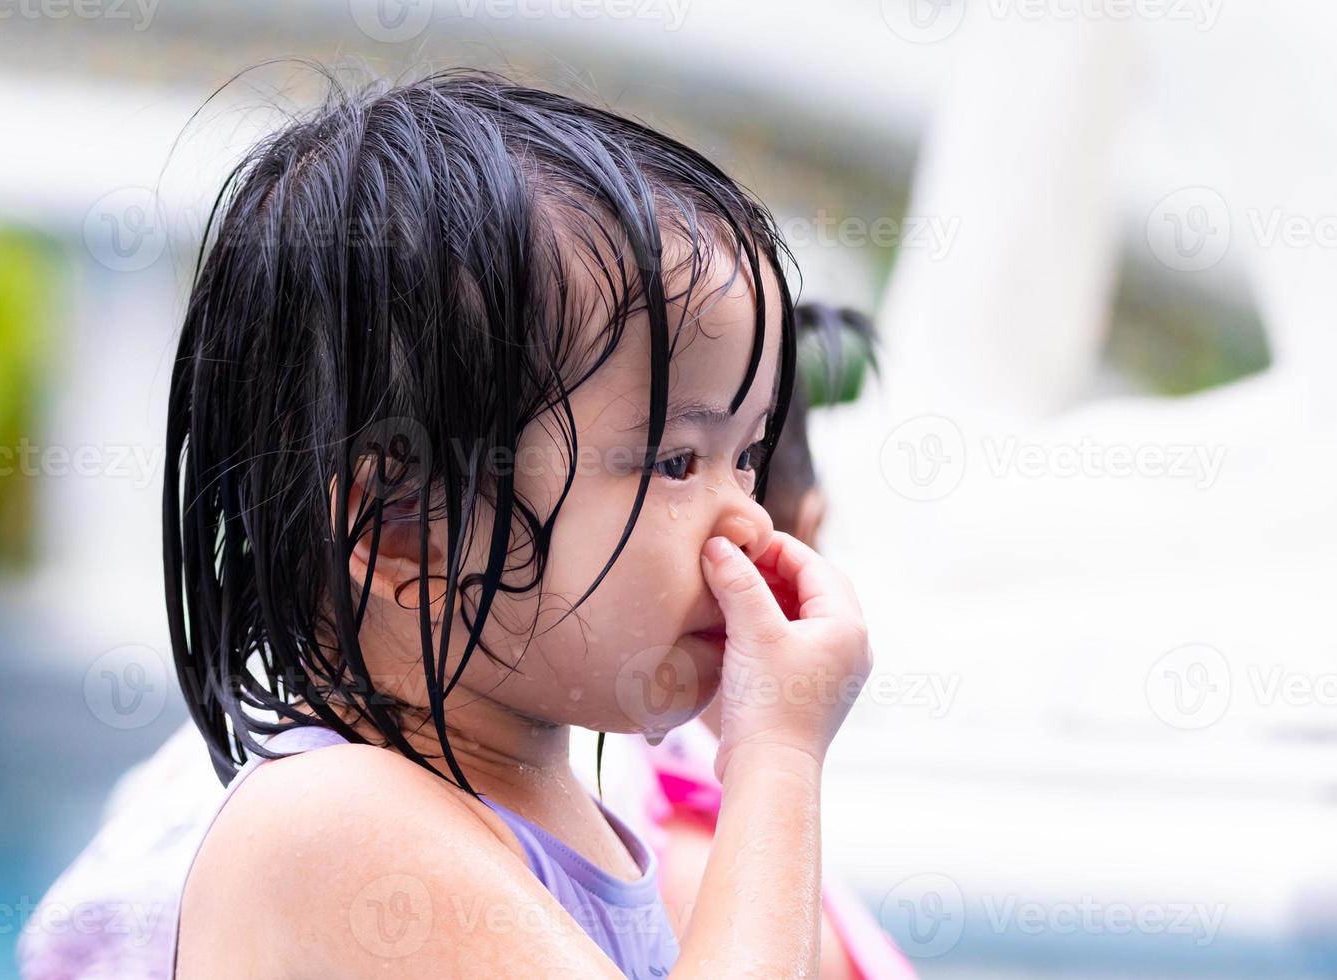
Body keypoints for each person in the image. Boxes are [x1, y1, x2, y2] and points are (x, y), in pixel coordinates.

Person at [138, 65, 870, 978]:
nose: (749, 527)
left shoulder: (545, 815)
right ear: (405, 533)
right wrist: (778, 758)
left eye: (749, 458)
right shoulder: (335, 825)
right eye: (678, 460)